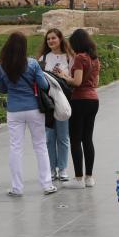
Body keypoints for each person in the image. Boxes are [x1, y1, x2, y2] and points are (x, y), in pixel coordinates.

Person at [0, 31, 57, 197]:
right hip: (34, 109)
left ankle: (17, 187)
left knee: (16, 148)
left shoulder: (1, 67)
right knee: (40, 146)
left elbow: (2, 89)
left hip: (14, 111)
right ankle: (47, 185)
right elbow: (43, 85)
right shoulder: (32, 64)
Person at [37, 28, 75, 182]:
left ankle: (63, 168)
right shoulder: (43, 58)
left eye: (53, 38)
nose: (51, 41)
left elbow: (73, 78)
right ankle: (52, 168)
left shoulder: (69, 58)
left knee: (63, 136)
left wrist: (63, 75)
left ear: (60, 39)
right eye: (48, 39)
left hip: (63, 99)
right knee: (49, 137)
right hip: (47, 101)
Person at [67, 28, 102, 187]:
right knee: (87, 138)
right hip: (93, 99)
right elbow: (96, 83)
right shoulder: (95, 59)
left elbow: (77, 82)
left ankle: (78, 178)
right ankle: (89, 177)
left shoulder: (80, 58)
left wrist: (63, 76)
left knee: (75, 139)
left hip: (79, 99)